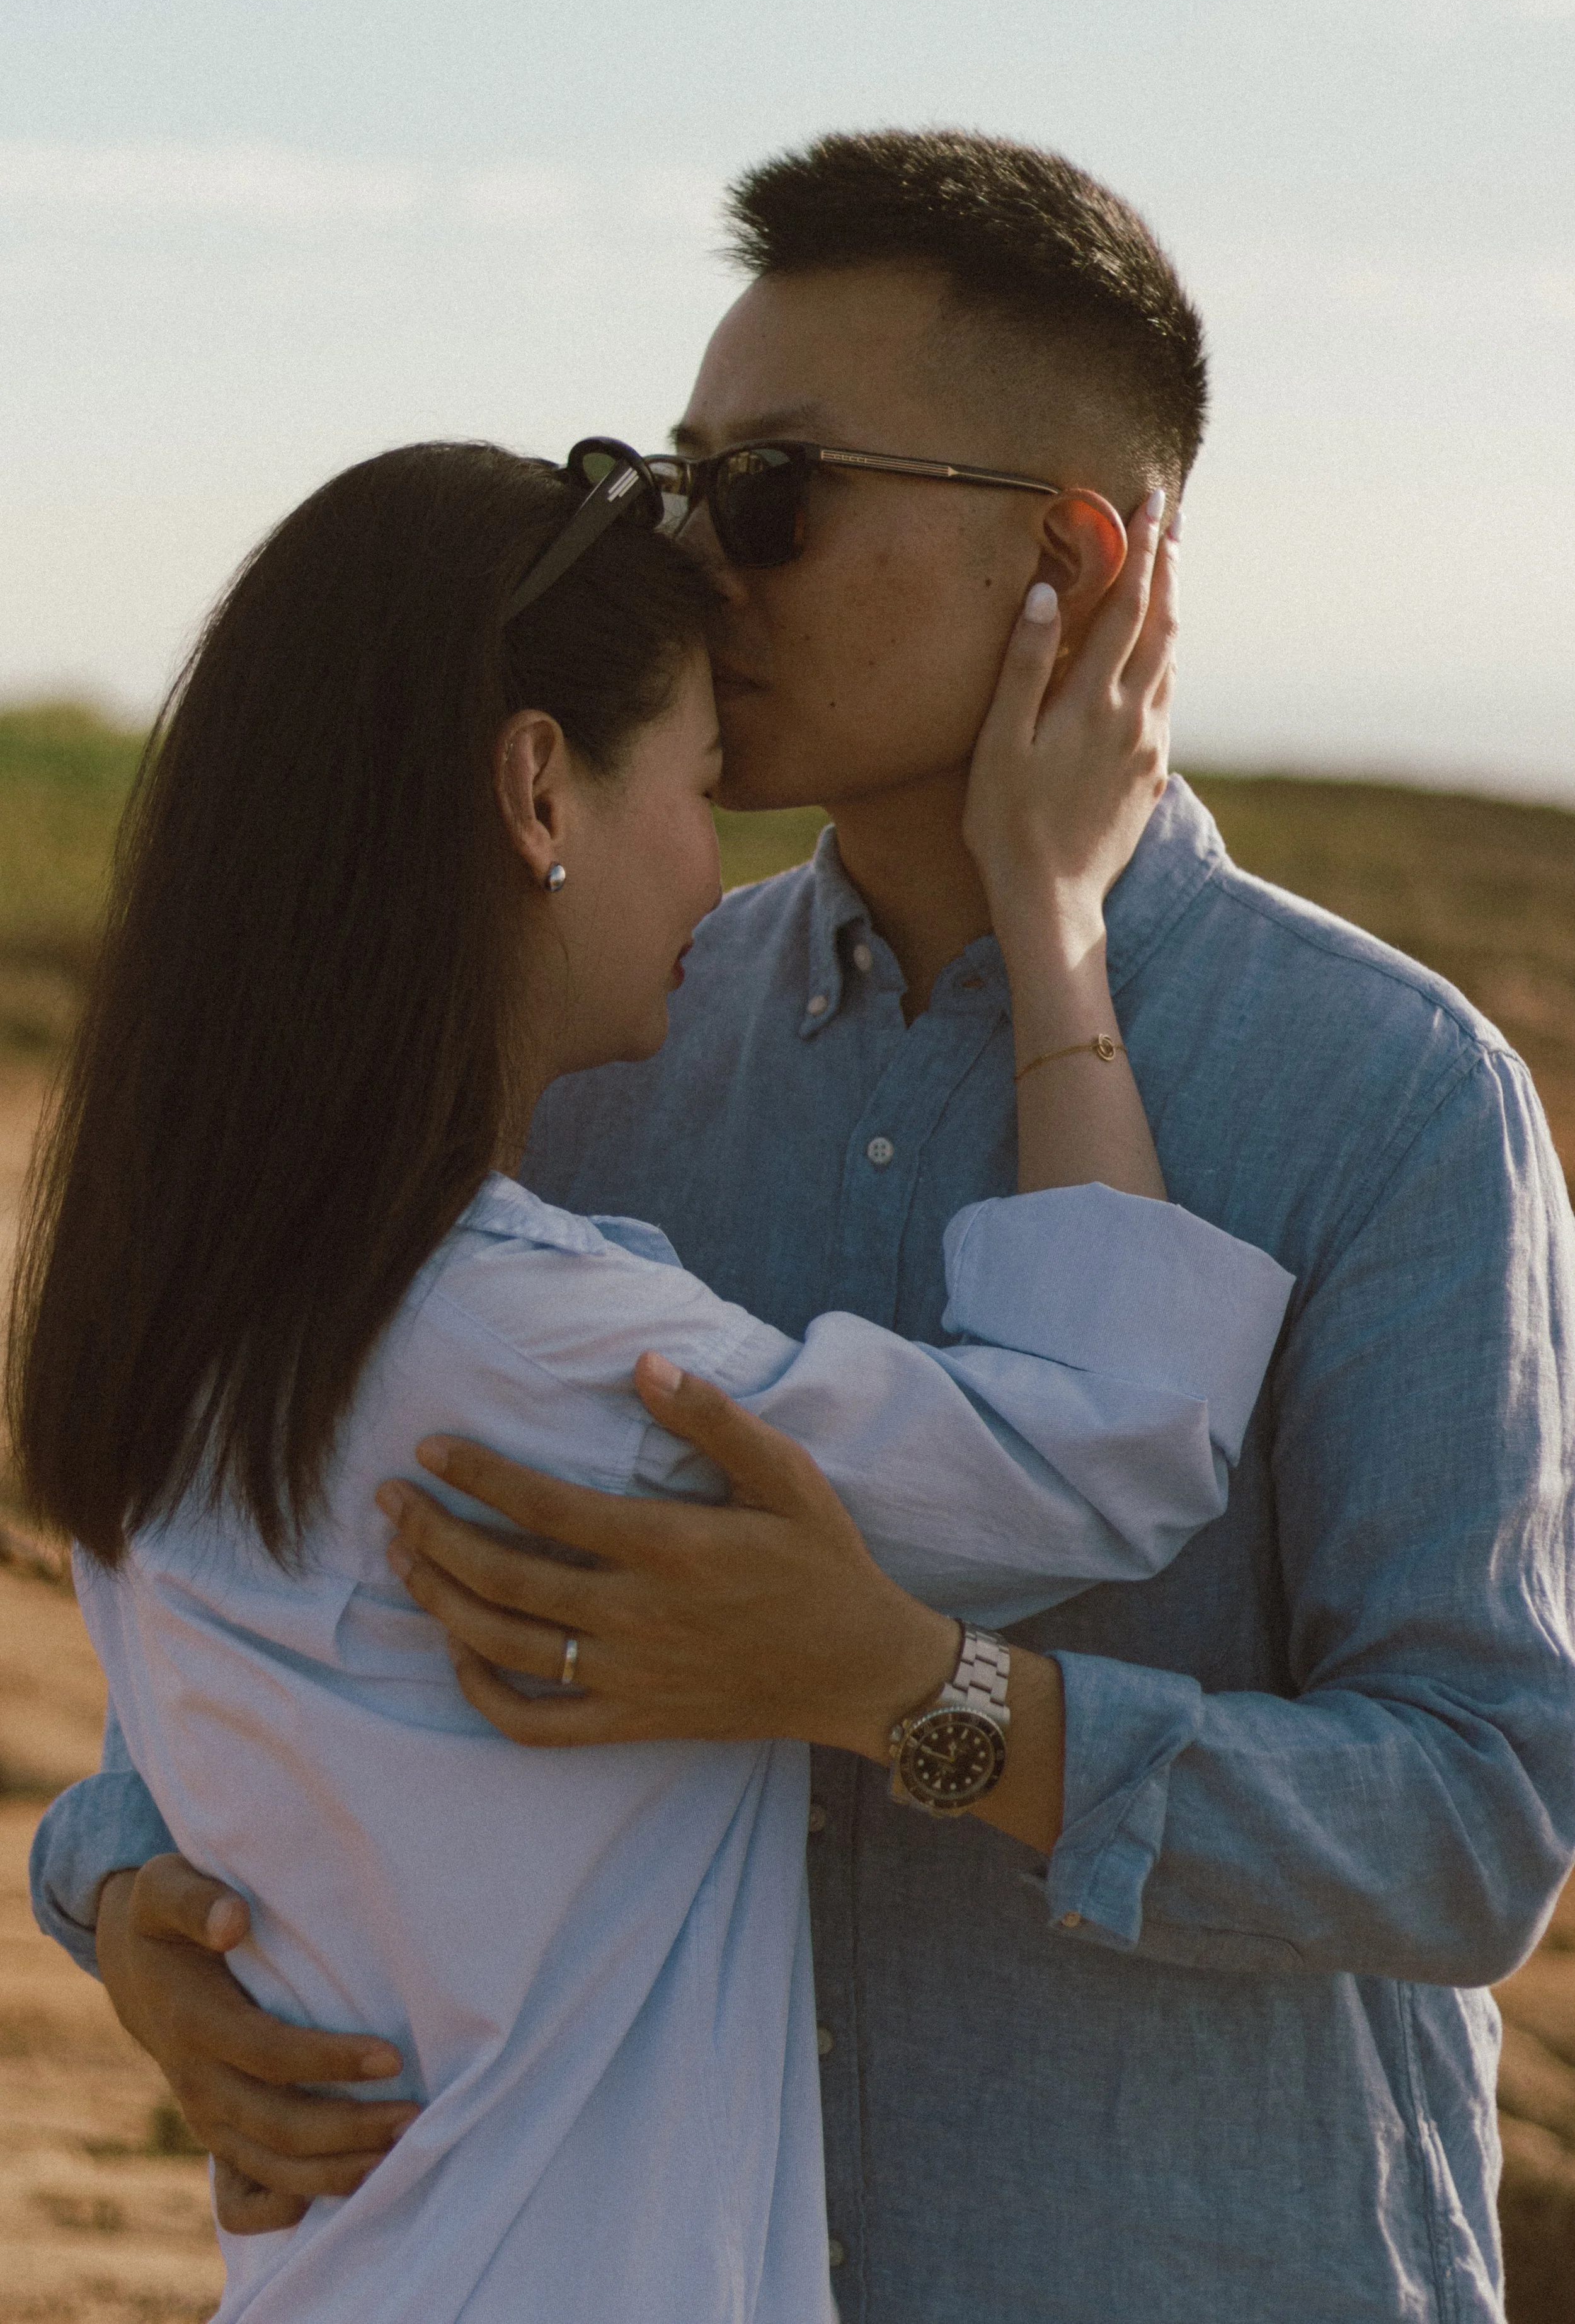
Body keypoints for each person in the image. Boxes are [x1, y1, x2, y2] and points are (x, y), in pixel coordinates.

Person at [31, 129, 1575, 2322]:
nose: (682, 569)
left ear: (1069, 558)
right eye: (668, 494)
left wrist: (924, 1700)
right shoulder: (602, 1052)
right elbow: (297, 1557)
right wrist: (132, 1900)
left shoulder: (1381, 1095)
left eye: (762, 497)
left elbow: (1473, 1815)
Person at [11, 434, 1292, 2321]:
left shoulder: (200, 1300)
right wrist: (1058, 912)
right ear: (539, 785)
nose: (716, 861)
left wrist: (112, 1896)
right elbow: (1112, 1439)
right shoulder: (525, 1340)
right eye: (697, 787)